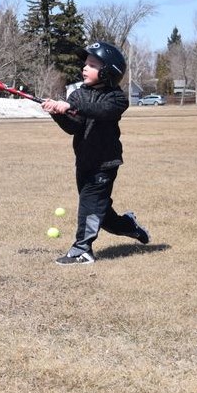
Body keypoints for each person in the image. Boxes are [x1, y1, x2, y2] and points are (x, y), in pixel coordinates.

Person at [41, 41, 150, 265]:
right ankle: (130, 226)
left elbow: (102, 111)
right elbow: (74, 126)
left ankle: (82, 250)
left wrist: (70, 106)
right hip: (84, 161)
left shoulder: (117, 98)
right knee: (102, 215)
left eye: (91, 64)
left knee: (90, 205)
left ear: (109, 71)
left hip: (105, 163)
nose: (84, 68)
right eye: (85, 63)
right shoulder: (79, 95)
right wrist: (58, 112)